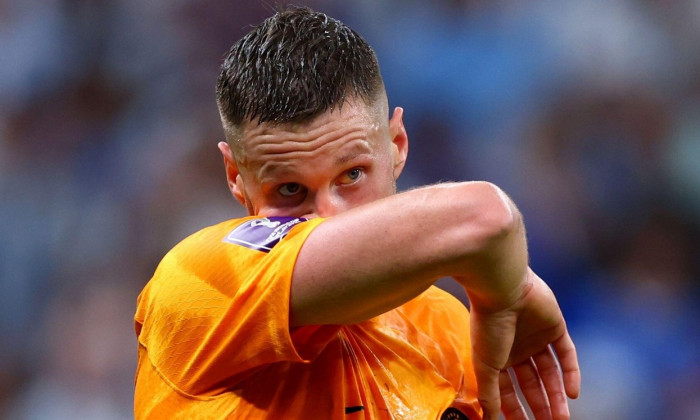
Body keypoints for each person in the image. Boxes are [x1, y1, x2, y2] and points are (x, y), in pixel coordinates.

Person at [134, 6, 580, 420]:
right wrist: (510, 287)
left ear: (397, 146)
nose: (330, 217)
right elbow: (486, 218)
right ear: (236, 176)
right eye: (290, 190)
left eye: (352, 175)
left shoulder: (450, 330)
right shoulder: (201, 283)